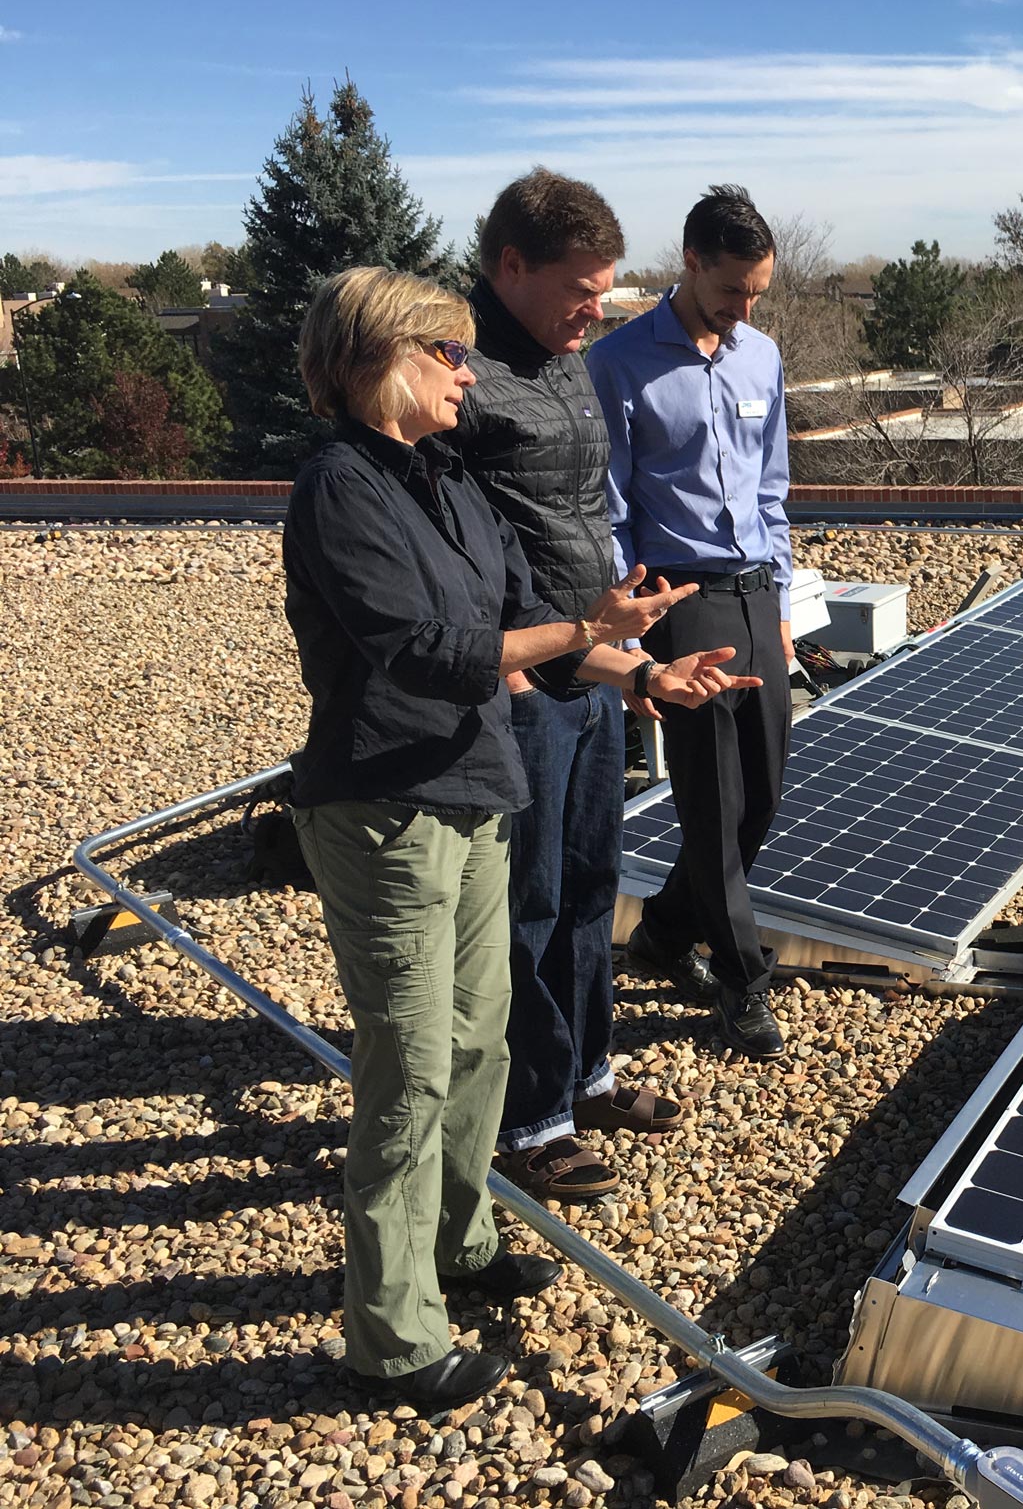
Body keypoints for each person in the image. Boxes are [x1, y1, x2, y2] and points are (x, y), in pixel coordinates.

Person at [284, 266, 758, 1408]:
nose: (464, 371)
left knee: (481, 1041)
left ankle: (460, 1245)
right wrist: (584, 628)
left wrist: (644, 667)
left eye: (462, 353)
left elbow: (517, 634)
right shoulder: (340, 488)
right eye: (444, 353)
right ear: (373, 362)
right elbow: (431, 653)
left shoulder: (449, 481)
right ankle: (393, 1339)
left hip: (472, 795)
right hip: (385, 809)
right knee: (405, 1069)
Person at [451, 168, 670, 1203]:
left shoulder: (562, 358)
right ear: (510, 267)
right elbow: (471, 555)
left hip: (589, 665)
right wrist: (559, 651)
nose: (599, 309)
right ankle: (530, 1118)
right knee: (527, 899)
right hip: (525, 686)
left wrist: (621, 645)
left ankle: (588, 1072)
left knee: (591, 885)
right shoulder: (462, 377)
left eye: (608, 288)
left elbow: (582, 511)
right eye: (583, 287)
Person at [588, 185, 793, 1060]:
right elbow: (609, 510)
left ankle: (665, 932)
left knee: (764, 799)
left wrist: (780, 605)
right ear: (691, 262)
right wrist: (630, 642)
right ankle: (742, 980)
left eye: (757, 293)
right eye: (731, 290)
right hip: (678, 601)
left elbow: (774, 488)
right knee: (712, 806)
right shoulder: (620, 364)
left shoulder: (761, 358)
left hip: (755, 595)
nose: (742, 309)